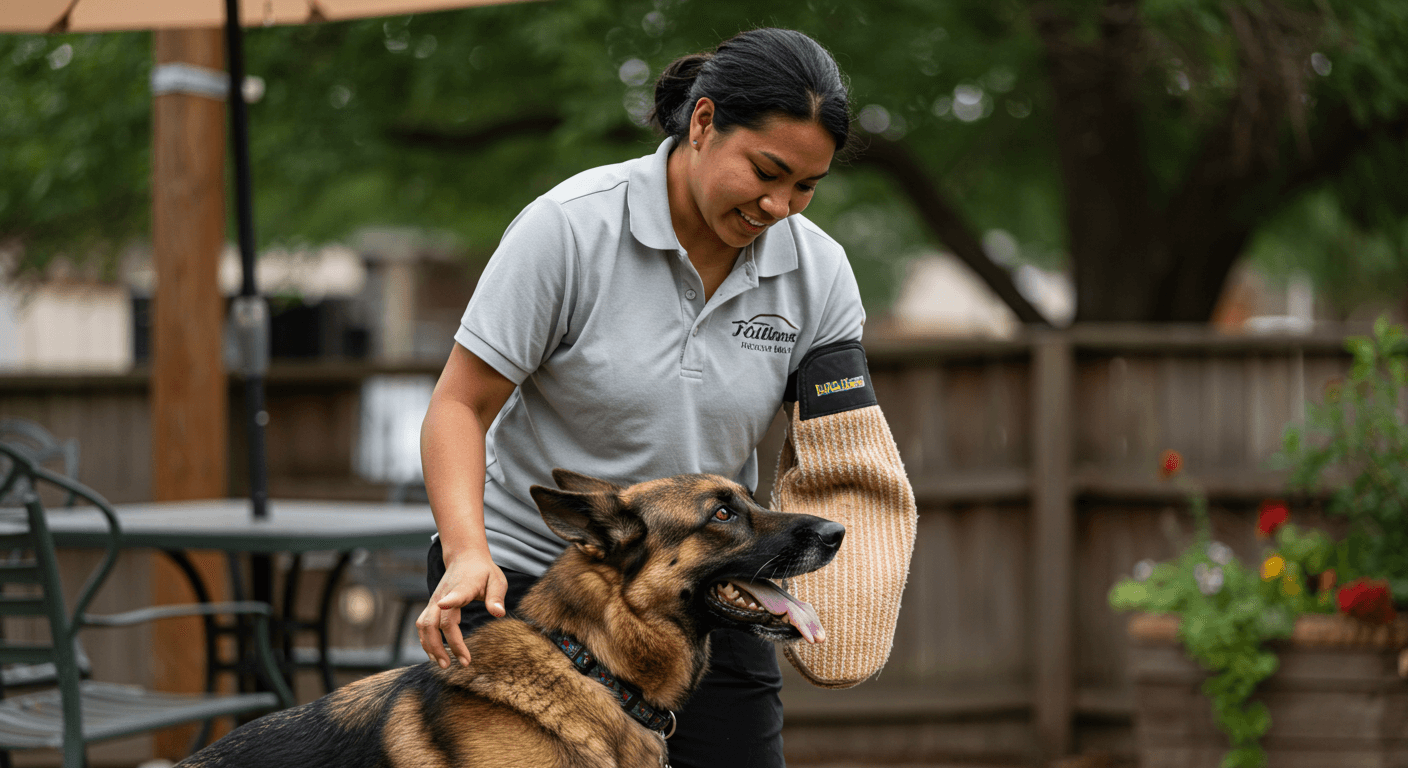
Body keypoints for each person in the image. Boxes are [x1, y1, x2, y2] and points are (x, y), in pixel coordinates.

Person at [418, 27, 869, 768]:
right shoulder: (569, 228)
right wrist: (467, 555)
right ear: (703, 122)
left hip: (708, 582)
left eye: (806, 186)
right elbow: (458, 406)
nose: (780, 205)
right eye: (767, 171)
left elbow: (847, 446)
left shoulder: (818, 272)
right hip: (535, 583)